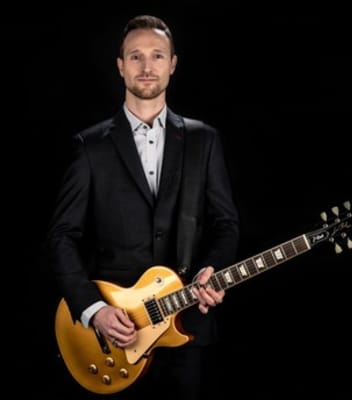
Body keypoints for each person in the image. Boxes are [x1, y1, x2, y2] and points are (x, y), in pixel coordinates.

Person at [45, 14, 239, 400]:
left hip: (188, 332)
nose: (147, 66)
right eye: (136, 56)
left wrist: (212, 267)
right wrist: (94, 309)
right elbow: (61, 237)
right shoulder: (90, 146)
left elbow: (226, 224)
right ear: (120, 66)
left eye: (157, 55)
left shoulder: (204, 140)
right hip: (113, 336)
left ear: (173, 64)